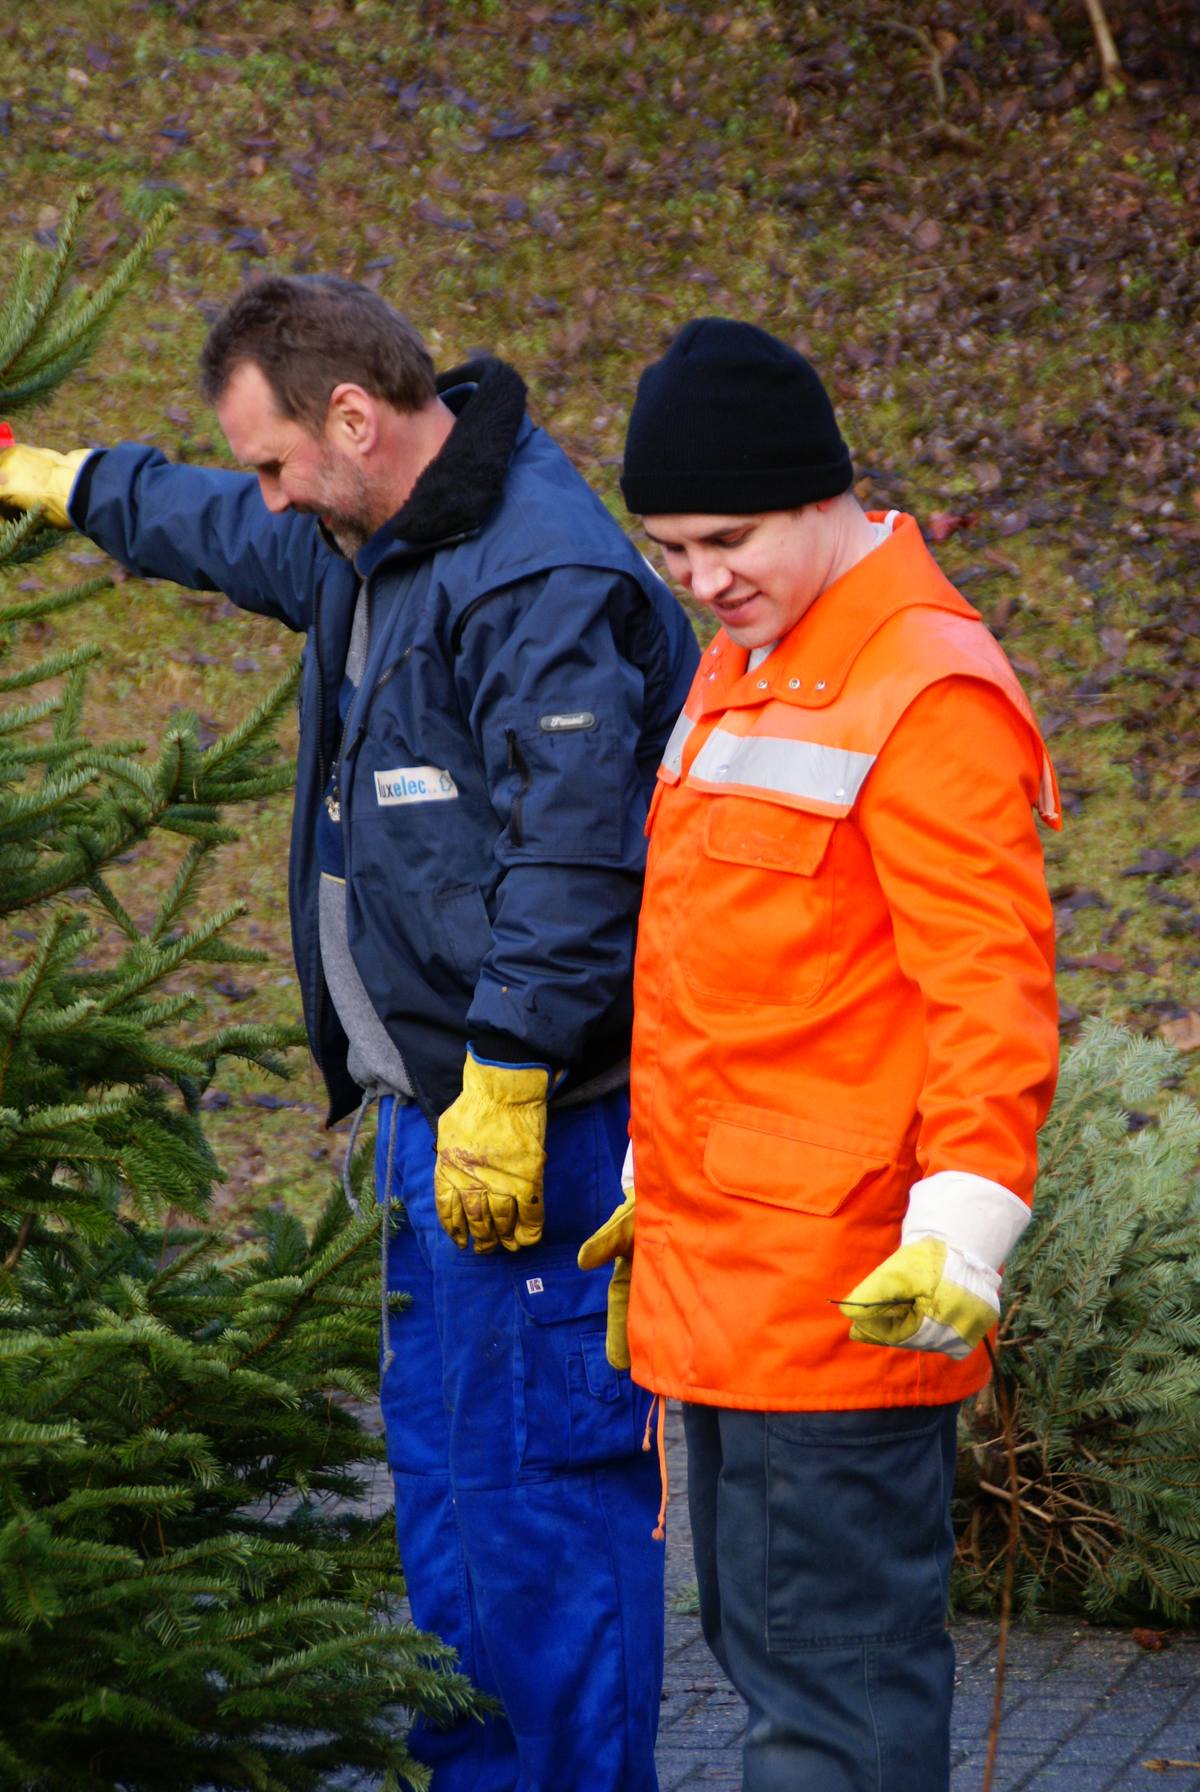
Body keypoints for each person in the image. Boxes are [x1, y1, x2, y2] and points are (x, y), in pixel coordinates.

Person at [0, 275, 700, 1791]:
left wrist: (509, 1074)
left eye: (275, 460)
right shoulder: (370, 540)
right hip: (430, 1132)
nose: (267, 493)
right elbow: (219, 525)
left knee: (541, 1521)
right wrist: (66, 482)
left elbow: (577, 855)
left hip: (542, 1134)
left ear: (355, 418)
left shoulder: (532, 576)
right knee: (452, 1513)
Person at [580, 318, 1060, 1792]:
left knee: (830, 1710)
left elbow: (990, 992)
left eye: (727, 540)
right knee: (775, 1658)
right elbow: (734, 967)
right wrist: (661, 1180)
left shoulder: (924, 690)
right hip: (731, 1276)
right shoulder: (754, 657)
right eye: (669, 549)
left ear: (823, 493)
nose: (700, 580)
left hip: (841, 1299)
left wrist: (963, 1231)